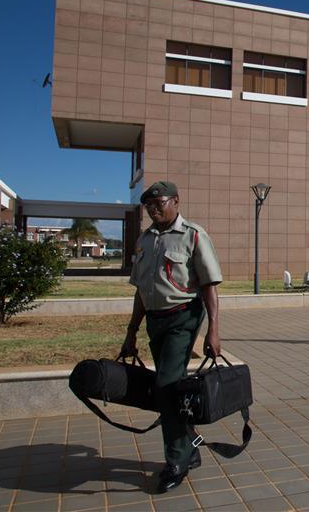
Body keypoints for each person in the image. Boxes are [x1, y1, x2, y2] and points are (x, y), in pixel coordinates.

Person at [120, 181, 223, 493]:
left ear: (176, 201)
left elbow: (209, 286)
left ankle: (176, 460)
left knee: (166, 385)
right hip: (155, 320)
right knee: (170, 386)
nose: (153, 209)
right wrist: (131, 331)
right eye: (148, 205)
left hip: (184, 317)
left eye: (159, 203)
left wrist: (213, 331)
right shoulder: (145, 240)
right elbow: (140, 290)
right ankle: (188, 442)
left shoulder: (193, 235)